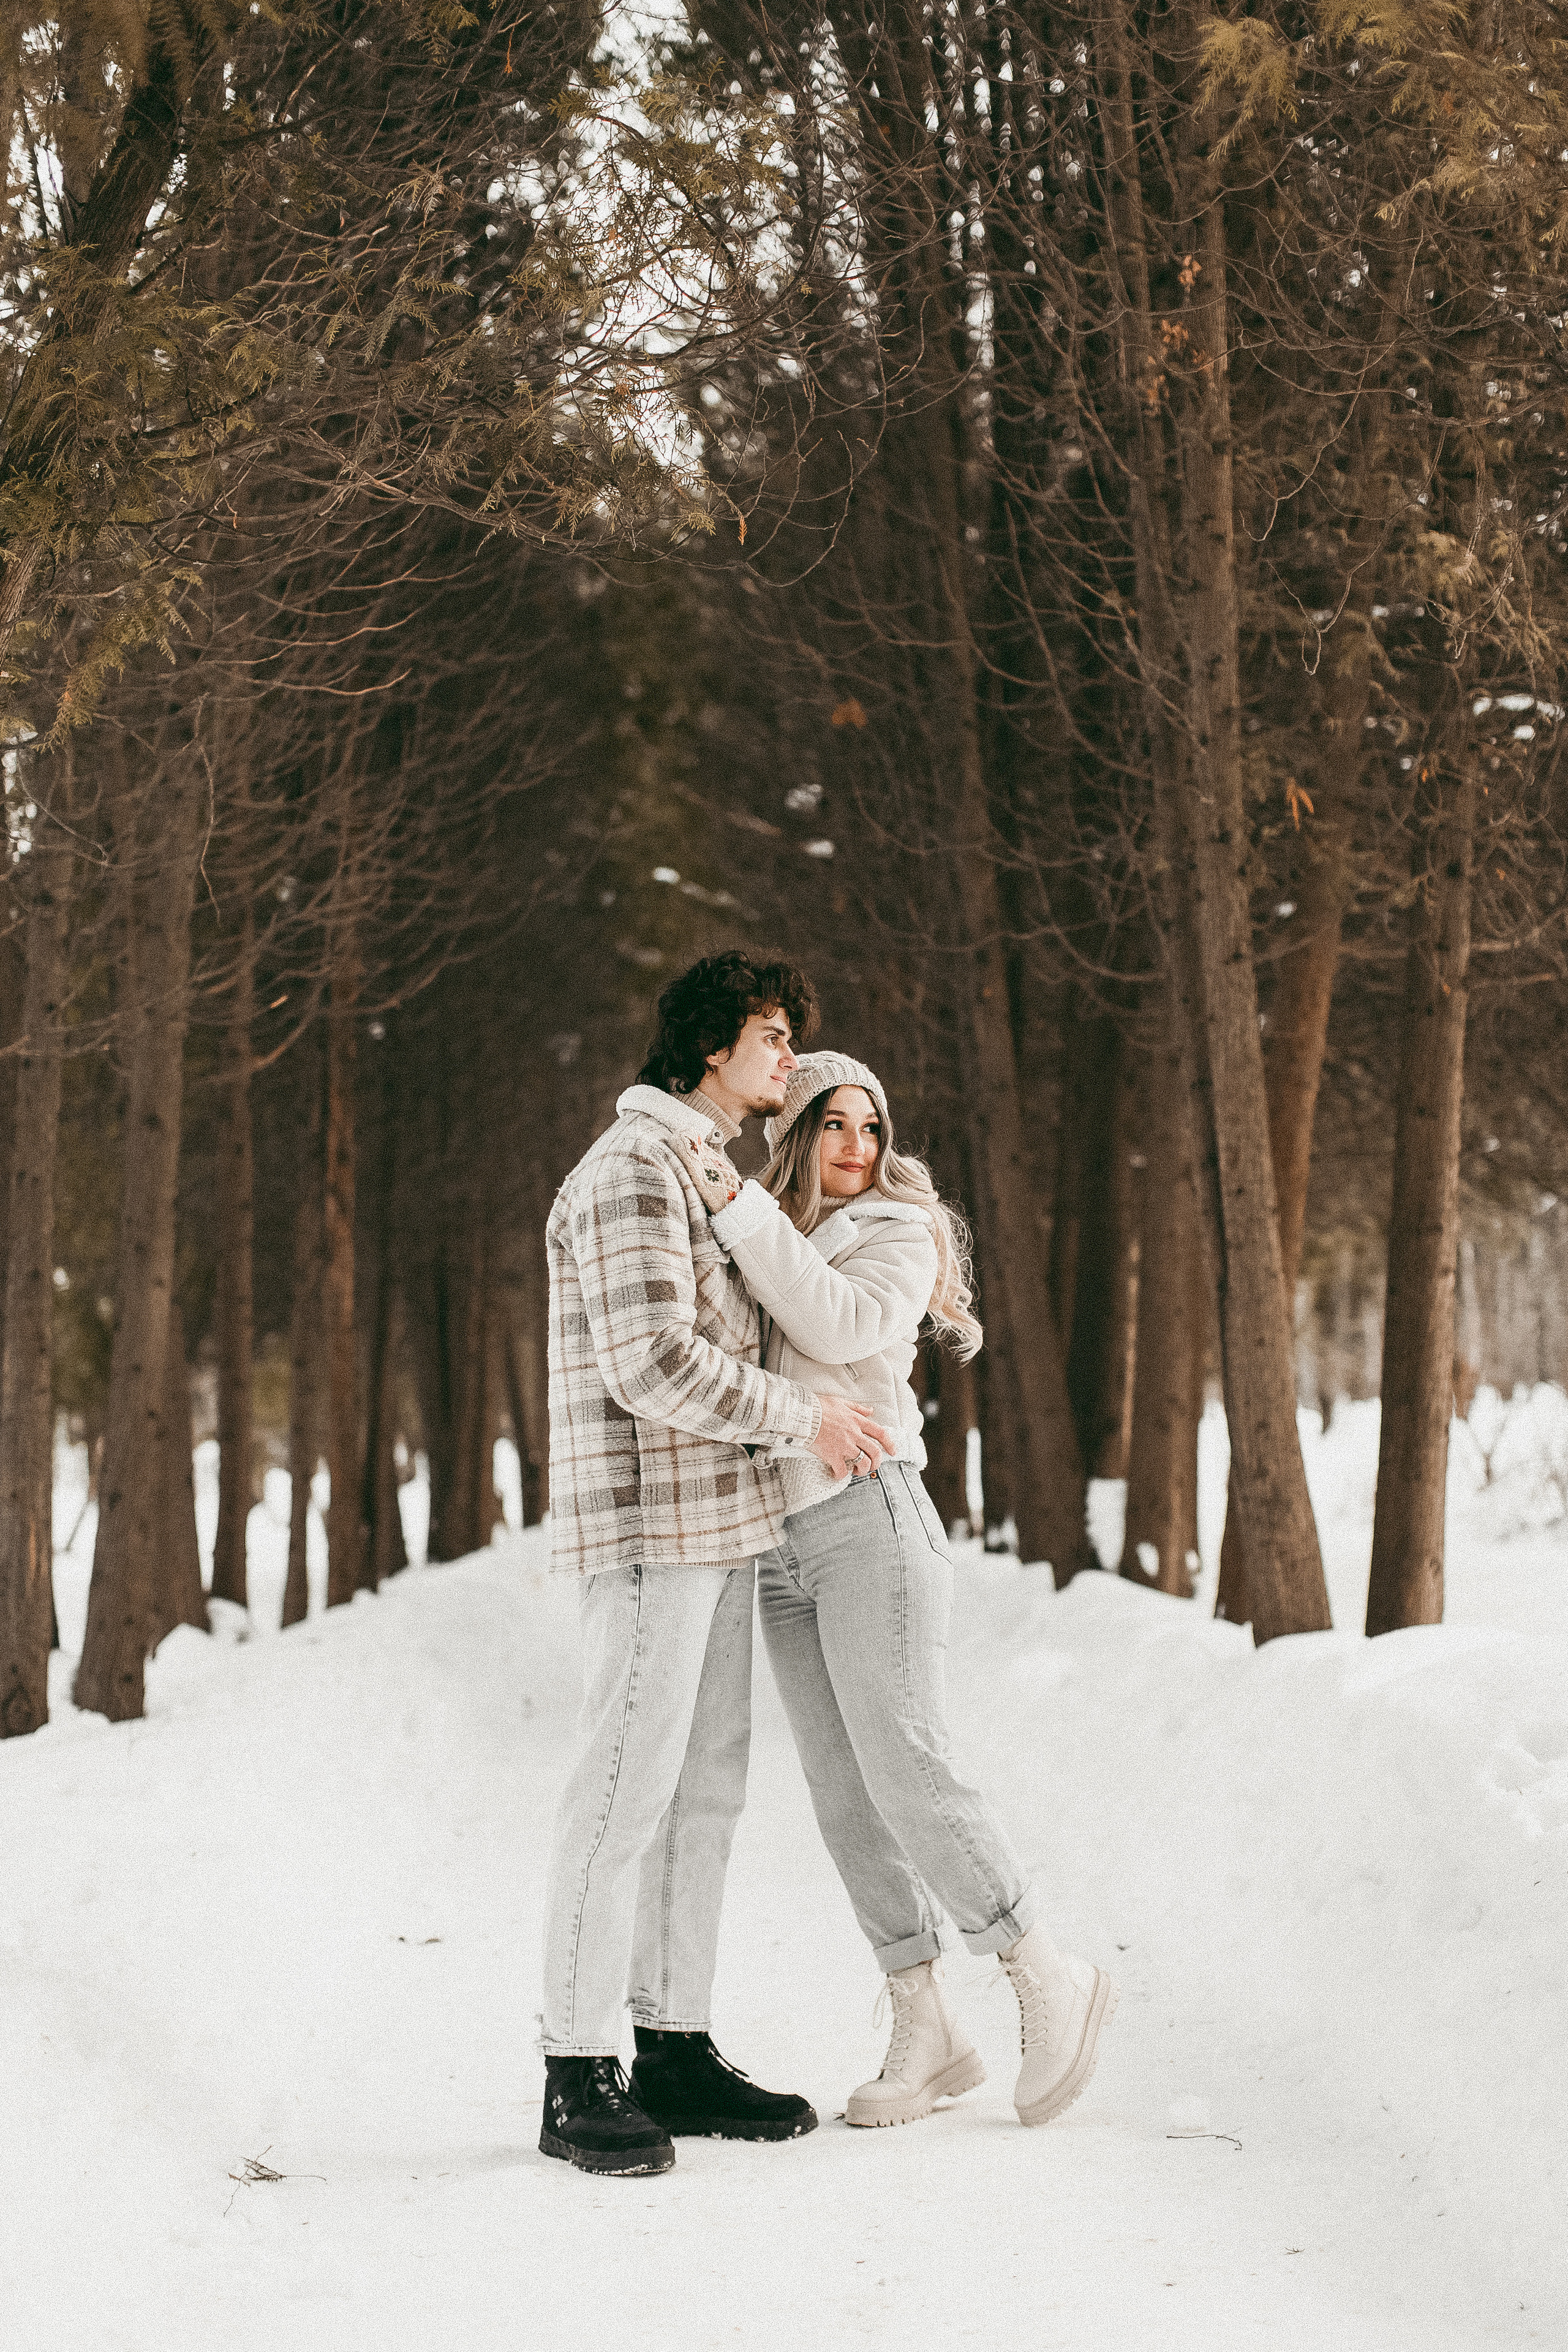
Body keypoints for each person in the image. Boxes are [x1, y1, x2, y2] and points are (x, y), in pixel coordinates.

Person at [708, 1052, 1116, 2130]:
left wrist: (745, 1211)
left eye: (872, 1126)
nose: (858, 1146)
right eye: (833, 1125)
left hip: (868, 1520)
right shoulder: (762, 1236)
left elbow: (841, 1328)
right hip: (777, 1546)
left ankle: (1042, 1969)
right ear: (793, 1133)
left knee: (905, 1762)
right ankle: (924, 2021)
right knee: (845, 1795)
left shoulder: (896, 1229)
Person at [538, 960, 896, 2177]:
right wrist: (805, 1424)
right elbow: (650, 1363)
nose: (789, 1060)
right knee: (622, 1796)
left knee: (703, 1797)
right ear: (706, 1046)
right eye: (770, 1036)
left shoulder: (701, 1171)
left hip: (721, 1527)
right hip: (648, 1530)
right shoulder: (629, 1172)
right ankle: (574, 2068)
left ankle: (671, 2045)